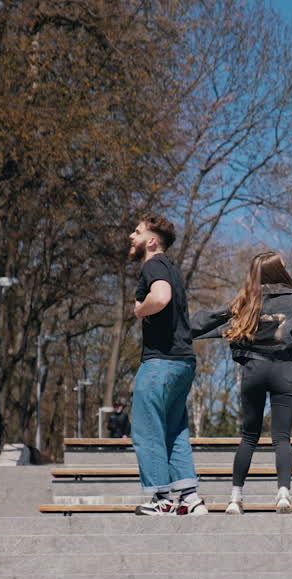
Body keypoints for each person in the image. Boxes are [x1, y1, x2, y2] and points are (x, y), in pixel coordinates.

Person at [191, 251, 292, 513]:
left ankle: (235, 497)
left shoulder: (245, 301)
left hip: (254, 370)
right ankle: (284, 494)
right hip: (285, 370)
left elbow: (209, 322)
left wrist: (181, 328)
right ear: (278, 271)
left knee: (248, 437)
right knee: (281, 439)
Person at [127, 214, 205, 516]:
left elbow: (160, 297)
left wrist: (140, 310)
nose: (131, 237)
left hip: (159, 362)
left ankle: (161, 498)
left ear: (152, 240)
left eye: (137, 232)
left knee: (147, 431)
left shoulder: (153, 265)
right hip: (183, 361)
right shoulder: (172, 268)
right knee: (174, 430)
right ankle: (189, 497)